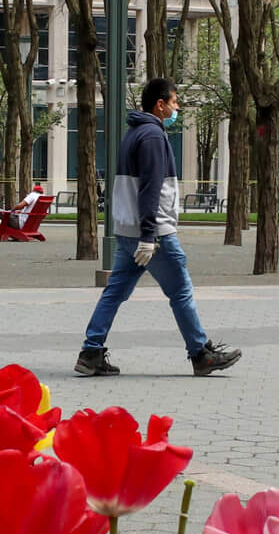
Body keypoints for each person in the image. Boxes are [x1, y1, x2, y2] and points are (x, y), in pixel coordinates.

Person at [76, 77, 240, 378]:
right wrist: (149, 236)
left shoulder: (135, 133)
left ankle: (91, 352)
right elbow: (151, 188)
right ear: (160, 104)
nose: (177, 107)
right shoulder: (152, 135)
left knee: (114, 292)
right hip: (153, 235)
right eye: (174, 102)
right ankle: (201, 354)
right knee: (181, 292)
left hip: (127, 231)